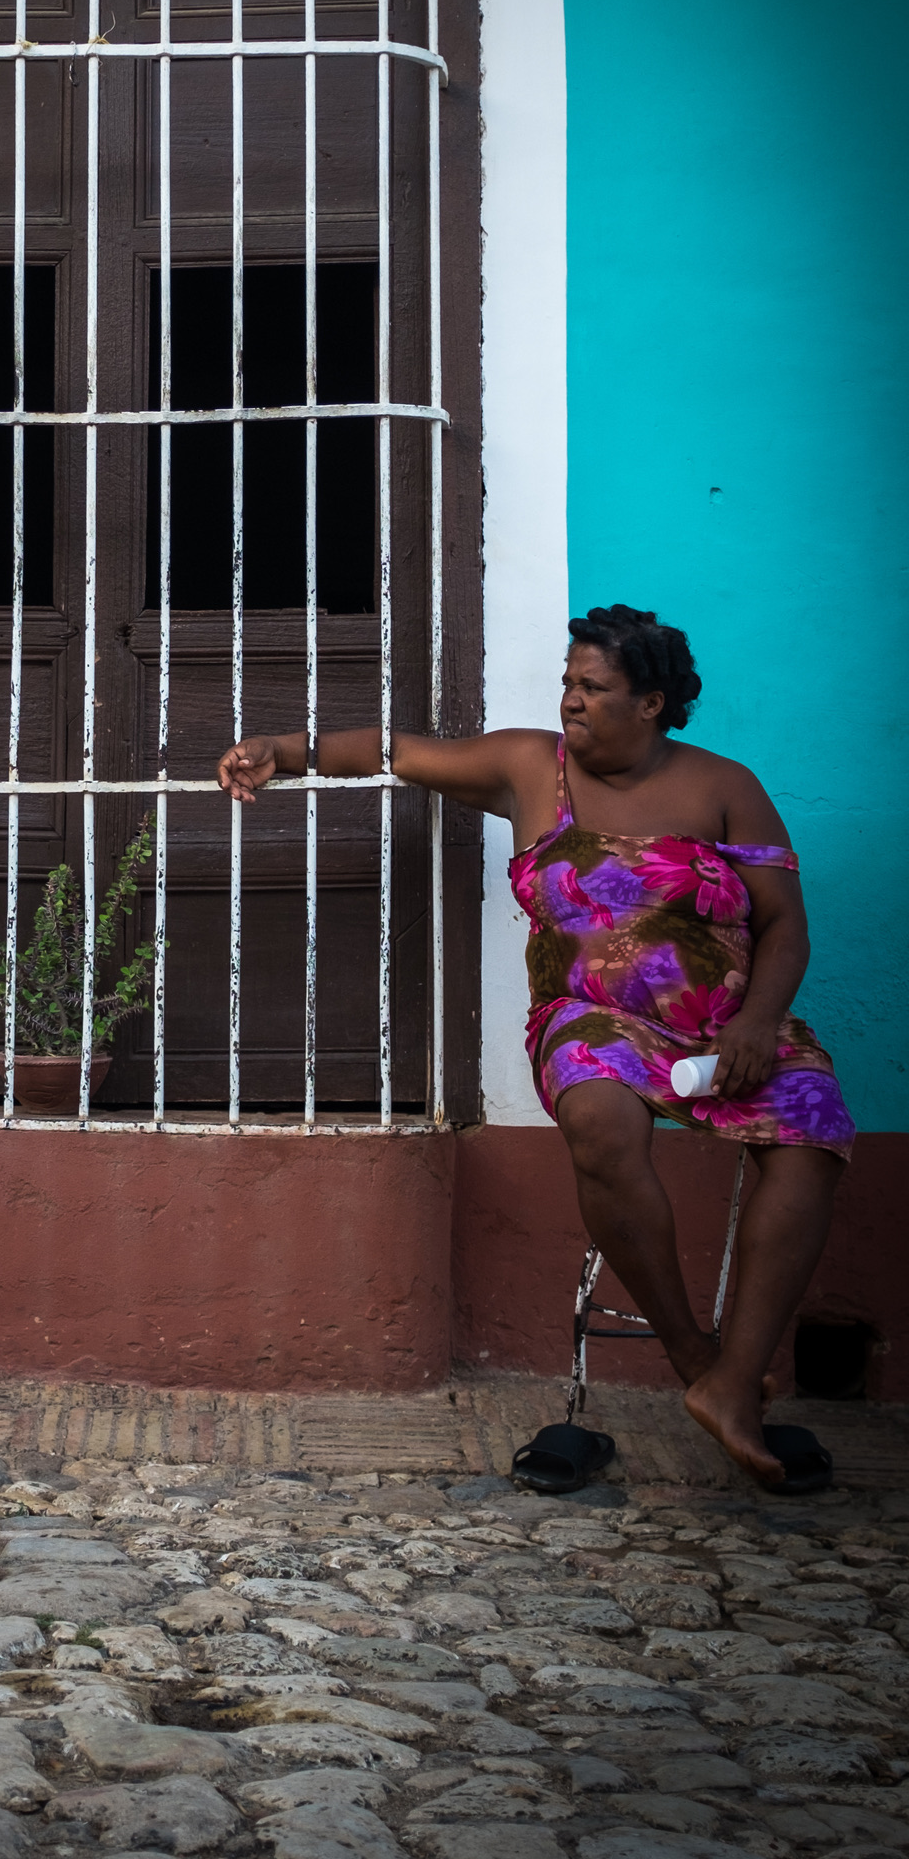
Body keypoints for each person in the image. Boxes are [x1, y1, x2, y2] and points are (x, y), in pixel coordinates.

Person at [215, 604, 852, 1490]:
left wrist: (755, 1024)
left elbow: (785, 923)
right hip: (593, 1021)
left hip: (730, 1027)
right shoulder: (529, 769)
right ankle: (691, 1354)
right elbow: (398, 751)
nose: (572, 701)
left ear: (654, 703)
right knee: (598, 1118)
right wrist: (281, 749)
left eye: (594, 687)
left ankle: (736, 1384)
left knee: (815, 1124)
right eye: (568, 683)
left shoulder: (725, 786)